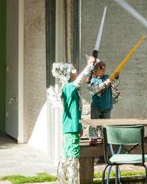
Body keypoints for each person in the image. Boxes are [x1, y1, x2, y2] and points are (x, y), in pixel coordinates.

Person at [50, 56, 97, 184]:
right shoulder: (70, 87)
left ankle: (61, 180)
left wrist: (79, 127)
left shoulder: (69, 88)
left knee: (67, 155)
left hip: (71, 127)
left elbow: (76, 111)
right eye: (73, 69)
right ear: (68, 74)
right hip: (71, 128)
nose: (76, 70)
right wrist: (89, 65)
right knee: (72, 158)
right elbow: (81, 79)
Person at [86, 60, 117, 143]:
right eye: (101, 68)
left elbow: (115, 85)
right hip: (97, 106)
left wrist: (116, 78)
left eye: (104, 68)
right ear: (95, 70)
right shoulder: (92, 80)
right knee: (94, 122)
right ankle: (93, 137)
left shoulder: (107, 77)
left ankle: (105, 138)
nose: (103, 70)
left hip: (107, 105)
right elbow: (96, 90)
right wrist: (106, 83)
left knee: (106, 123)